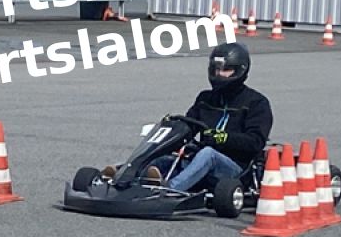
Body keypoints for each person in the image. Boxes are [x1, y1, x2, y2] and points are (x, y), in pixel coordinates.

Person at [102, 42, 273, 192]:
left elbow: (256, 142)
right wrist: (172, 132)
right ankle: (124, 178)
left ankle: (170, 189)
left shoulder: (256, 103)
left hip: (235, 168)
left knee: (208, 154)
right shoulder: (206, 98)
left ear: (240, 70)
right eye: (216, 69)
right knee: (164, 157)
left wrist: (223, 138)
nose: (219, 74)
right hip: (198, 160)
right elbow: (189, 126)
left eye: (225, 70)